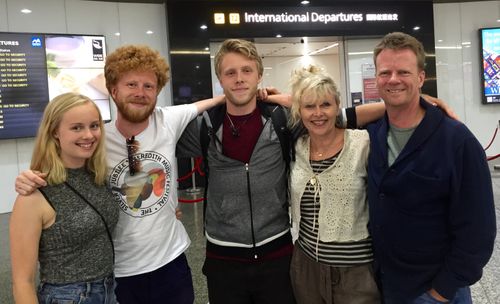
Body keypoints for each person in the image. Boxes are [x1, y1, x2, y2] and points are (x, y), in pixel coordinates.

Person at [14, 45, 224, 304]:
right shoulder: (97, 139)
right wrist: (28, 177)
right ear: (113, 90)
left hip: (171, 261)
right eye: (131, 85)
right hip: (119, 271)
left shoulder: (168, 120)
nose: (140, 93)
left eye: (149, 86)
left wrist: (250, 93)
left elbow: (205, 103)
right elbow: (61, 163)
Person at [365, 32, 496, 303]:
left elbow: (478, 231)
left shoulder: (456, 141)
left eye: (404, 72)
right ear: (375, 79)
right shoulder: (371, 134)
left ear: (421, 78)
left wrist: (440, 292)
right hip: (388, 284)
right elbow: (320, 113)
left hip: (437, 291)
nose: (393, 79)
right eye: (384, 72)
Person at [10, 92, 119, 303]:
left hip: (108, 288)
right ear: (55, 133)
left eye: (94, 126)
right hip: (68, 296)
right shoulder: (34, 193)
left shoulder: (98, 177)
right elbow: (22, 282)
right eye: (76, 127)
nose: (88, 135)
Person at [287, 65, 380, 304]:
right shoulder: (297, 146)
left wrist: (421, 100)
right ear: (299, 110)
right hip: (305, 266)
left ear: (337, 105)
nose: (318, 113)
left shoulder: (362, 144)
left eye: (325, 105)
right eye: (309, 106)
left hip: (355, 272)